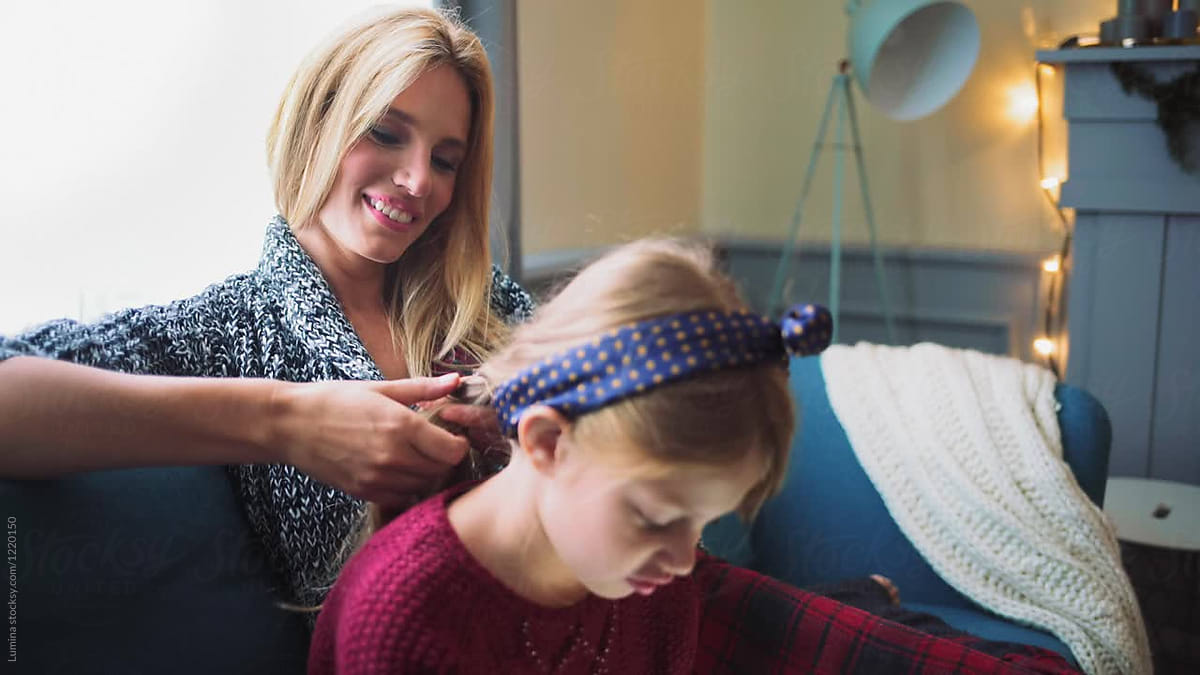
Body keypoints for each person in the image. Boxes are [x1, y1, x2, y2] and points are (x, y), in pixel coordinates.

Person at [309, 239, 1078, 674]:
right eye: (657, 516)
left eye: (703, 523)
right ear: (545, 442)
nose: (683, 559)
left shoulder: (648, 580)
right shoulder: (404, 623)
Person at [0, 6, 530, 610]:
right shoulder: (230, 332)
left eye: (445, 160)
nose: (416, 180)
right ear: (316, 123)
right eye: (385, 132)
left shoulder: (483, 306)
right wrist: (285, 421)